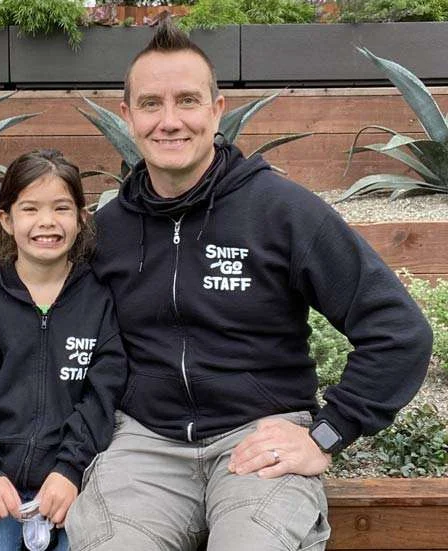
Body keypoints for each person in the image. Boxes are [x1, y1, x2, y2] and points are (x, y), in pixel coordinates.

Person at [65, 19, 433, 551]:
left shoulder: (281, 212)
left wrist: (327, 433)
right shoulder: (109, 229)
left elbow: (399, 332)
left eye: (188, 101)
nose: (170, 121)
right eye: (151, 104)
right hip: (144, 448)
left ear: (217, 111)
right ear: (128, 117)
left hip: (258, 440)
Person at [0, 149, 128, 551]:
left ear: (82, 218)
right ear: (5, 219)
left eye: (61, 208)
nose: (47, 222)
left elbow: (102, 395)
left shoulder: (99, 301)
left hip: (71, 483)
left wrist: (70, 469)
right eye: (30, 208)